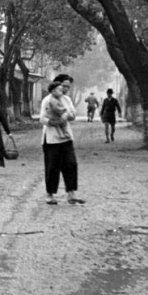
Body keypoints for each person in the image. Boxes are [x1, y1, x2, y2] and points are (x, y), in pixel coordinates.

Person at [40, 74, 84, 205]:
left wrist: (67, 116)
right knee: (52, 167)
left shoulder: (67, 100)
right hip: (51, 139)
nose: (65, 89)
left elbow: (72, 115)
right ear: (56, 86)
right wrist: (53, 122)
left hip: (66, 138)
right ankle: (50, 194)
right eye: (63, 86)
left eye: (68, 87)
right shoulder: (47, 100)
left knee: (71, 164)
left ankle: (71, 193)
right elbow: (42, 119)